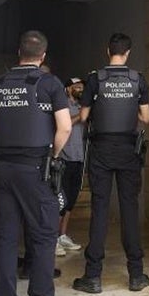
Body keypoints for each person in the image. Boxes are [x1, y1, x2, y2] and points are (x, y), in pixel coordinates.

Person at [0, 30, 72, 296]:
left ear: (19, 53)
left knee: (6, 239)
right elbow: (65, 127)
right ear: (42, 56)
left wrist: (7, 126)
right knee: (43, 238)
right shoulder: (49, 83)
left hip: (4, 167)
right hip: (36, 169)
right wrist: (53, 155)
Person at [72, 33, 149, 294]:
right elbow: (146, 117)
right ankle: (136, 275)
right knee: (129, 209)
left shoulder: (95, 78)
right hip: (128, 150)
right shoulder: (138, 79)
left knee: (100, 210)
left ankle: (93, 276)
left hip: (101, 150)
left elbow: (83, 116)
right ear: (128, 53)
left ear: (108, 51)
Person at [56, 78, 86, 255]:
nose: (80, 89)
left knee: (71, 202)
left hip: (79, 158)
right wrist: (80, 116)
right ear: (68, 89)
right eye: (76, 86)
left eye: (81, 86)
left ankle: (62, 235)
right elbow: (64, 124)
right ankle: (53, 239)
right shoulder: (63, 104)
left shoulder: (82, 105)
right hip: (64, 159)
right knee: (61, 200)